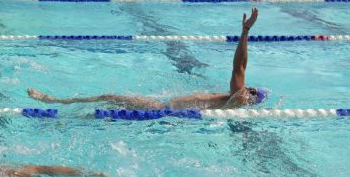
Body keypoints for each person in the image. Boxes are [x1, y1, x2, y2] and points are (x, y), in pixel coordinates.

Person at [27, 8, 267, 110]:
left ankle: (55, 101)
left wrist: (245, 32)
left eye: (252, 89)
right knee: (107, 103)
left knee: (107, 98)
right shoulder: (233, 101)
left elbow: (239, 66)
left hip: (161, 109)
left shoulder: (239, 97)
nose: (247, 87)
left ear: (251, 97)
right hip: (164, 109)